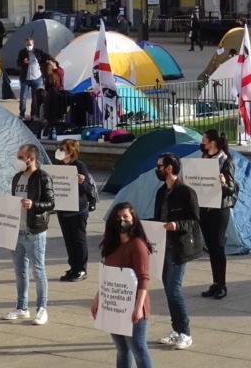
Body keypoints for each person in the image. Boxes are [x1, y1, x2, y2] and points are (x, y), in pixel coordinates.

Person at [94, 202, 154, 368]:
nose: (122, 221)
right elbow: (107, 276)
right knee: (122, 349)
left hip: (133, 304)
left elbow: (144, 279)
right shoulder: (111, 244)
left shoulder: (137, 245)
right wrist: (98, 299)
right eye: (118, 217)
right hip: (114, 304)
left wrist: (138, 307)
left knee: (138, 348)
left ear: (133, 219)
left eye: (125, 217)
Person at [3, 143, 55, 324]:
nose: (17, 160)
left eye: (20, 157)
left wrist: (34, 205)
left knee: (38, 271)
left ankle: (42, 308)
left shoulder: (42, 177)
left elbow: (51, 203)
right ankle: (21, 307)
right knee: (20, 272)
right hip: (16, 230)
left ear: (31, 158)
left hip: (35, 230)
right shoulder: (17, 177)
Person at [152, 152, 200, 350]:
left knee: (174, 289)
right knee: (168, 290)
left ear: (169, 168)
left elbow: (195, 221)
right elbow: (157, 218)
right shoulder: (161, 192)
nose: (158, 169)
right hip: (163, 246)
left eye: (160, 166)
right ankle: (176, 330)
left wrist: (176, 225)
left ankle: (186, 332)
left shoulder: (187, 192)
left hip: (179, 246)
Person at [197, 128, 239, 300]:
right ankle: (215, 283)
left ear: (212, 142)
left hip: (219, 209)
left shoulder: (226, 161)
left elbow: (231, 189)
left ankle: (222, 284)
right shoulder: (204, 159)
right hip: (204, 207)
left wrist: (222, 184)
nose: (202, 144)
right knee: (211, 247)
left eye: (204, 141)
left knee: (218, 247)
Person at [54, 139, 97, 282]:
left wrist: (81, 181)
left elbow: (87, 189)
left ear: (70, 152)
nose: (59, 151)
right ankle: (73, 267)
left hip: (78, 209)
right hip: (63, 209)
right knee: (68, 240)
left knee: (78, 239)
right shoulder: (58, 166)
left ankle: (81, 269)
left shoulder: (79, 166)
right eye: (59, 148)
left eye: (62, 149)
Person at [18, 39, 44, 120]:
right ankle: (22, 114)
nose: (28, 46)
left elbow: (45, 57)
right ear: (25, 44)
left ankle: (33, 115)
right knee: (23, 97)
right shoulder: (22, 52)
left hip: (36, 78)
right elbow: (18, 63)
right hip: (25, 79)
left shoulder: (38, 51)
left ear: (33, 44)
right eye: (27, 44)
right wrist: (23, 62)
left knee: (35, 98)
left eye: (30, 44)